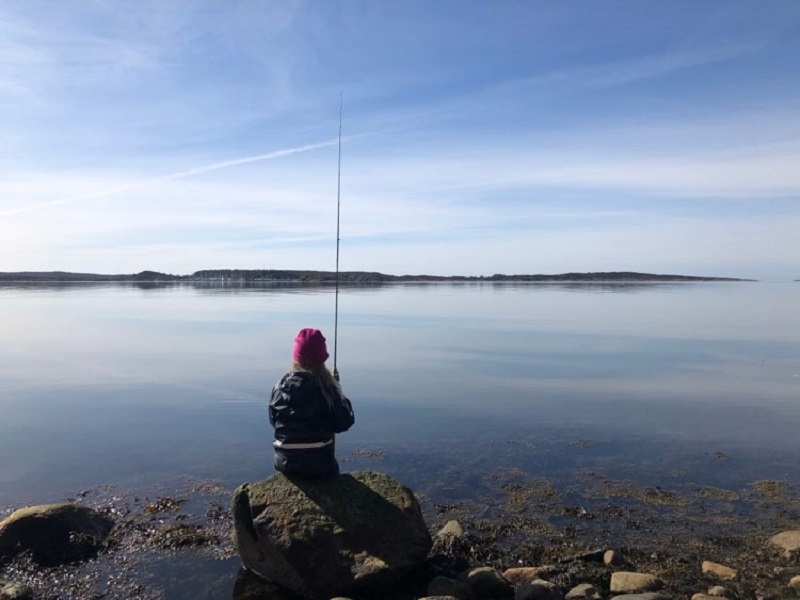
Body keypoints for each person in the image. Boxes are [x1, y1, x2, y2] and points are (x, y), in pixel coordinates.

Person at [269, 327, 355, 478]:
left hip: (283, 462)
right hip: (320, 466)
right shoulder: (327, 389)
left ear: (296, 357)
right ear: (322, 358)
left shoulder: (280, 387)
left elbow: (274, 421)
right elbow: (344, 422)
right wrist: (337, 389)